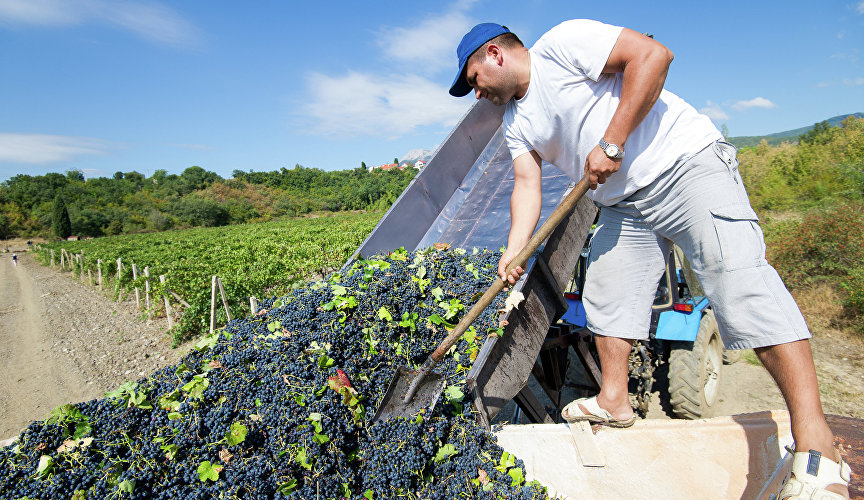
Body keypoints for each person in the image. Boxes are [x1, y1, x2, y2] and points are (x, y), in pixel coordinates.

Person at [448, 20, 850, 499]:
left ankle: (818, 447)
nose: (476, 94)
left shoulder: (561, 44)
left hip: (683, 166)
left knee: (739, 285)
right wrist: (516, 250)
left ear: (495, 54)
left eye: (473, 80)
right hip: (624, 202)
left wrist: (612, 141)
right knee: (607, 292)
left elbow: (654, 56)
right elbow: (527, 186)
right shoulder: (517, 122)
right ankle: (614, 400)